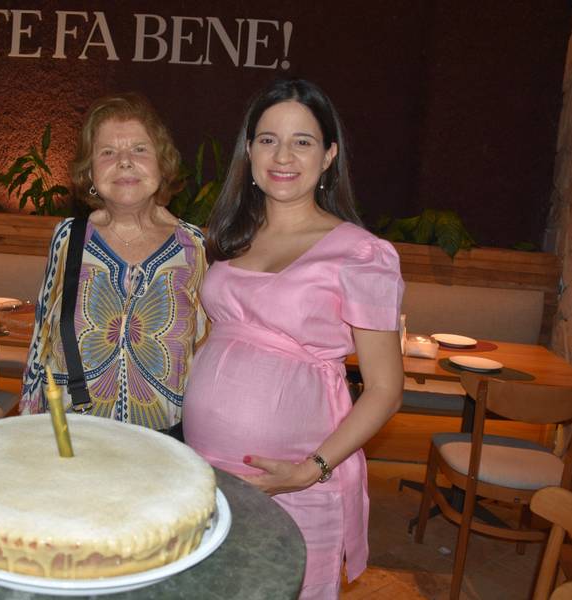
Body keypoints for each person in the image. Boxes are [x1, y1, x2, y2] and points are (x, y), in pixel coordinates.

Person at [182, 79, 404, 599]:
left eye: (302, 141)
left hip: (301, 477)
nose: (283, 155)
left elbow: (385, 389)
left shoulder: (360, 253)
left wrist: (311, 469)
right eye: (267, 139)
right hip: (208, 468)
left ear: (329, 155)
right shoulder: (233, 236)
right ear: (250, 151)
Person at [21, 93, 208, 431]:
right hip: (73, 444)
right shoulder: (68, 237)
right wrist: (27, 433)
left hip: (162, 448)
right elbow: (41, 345)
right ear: (90, 173)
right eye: (107, 152)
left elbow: (209, 355)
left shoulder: (194, 246)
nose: (124, 162)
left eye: (139, 149)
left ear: (162, 164)